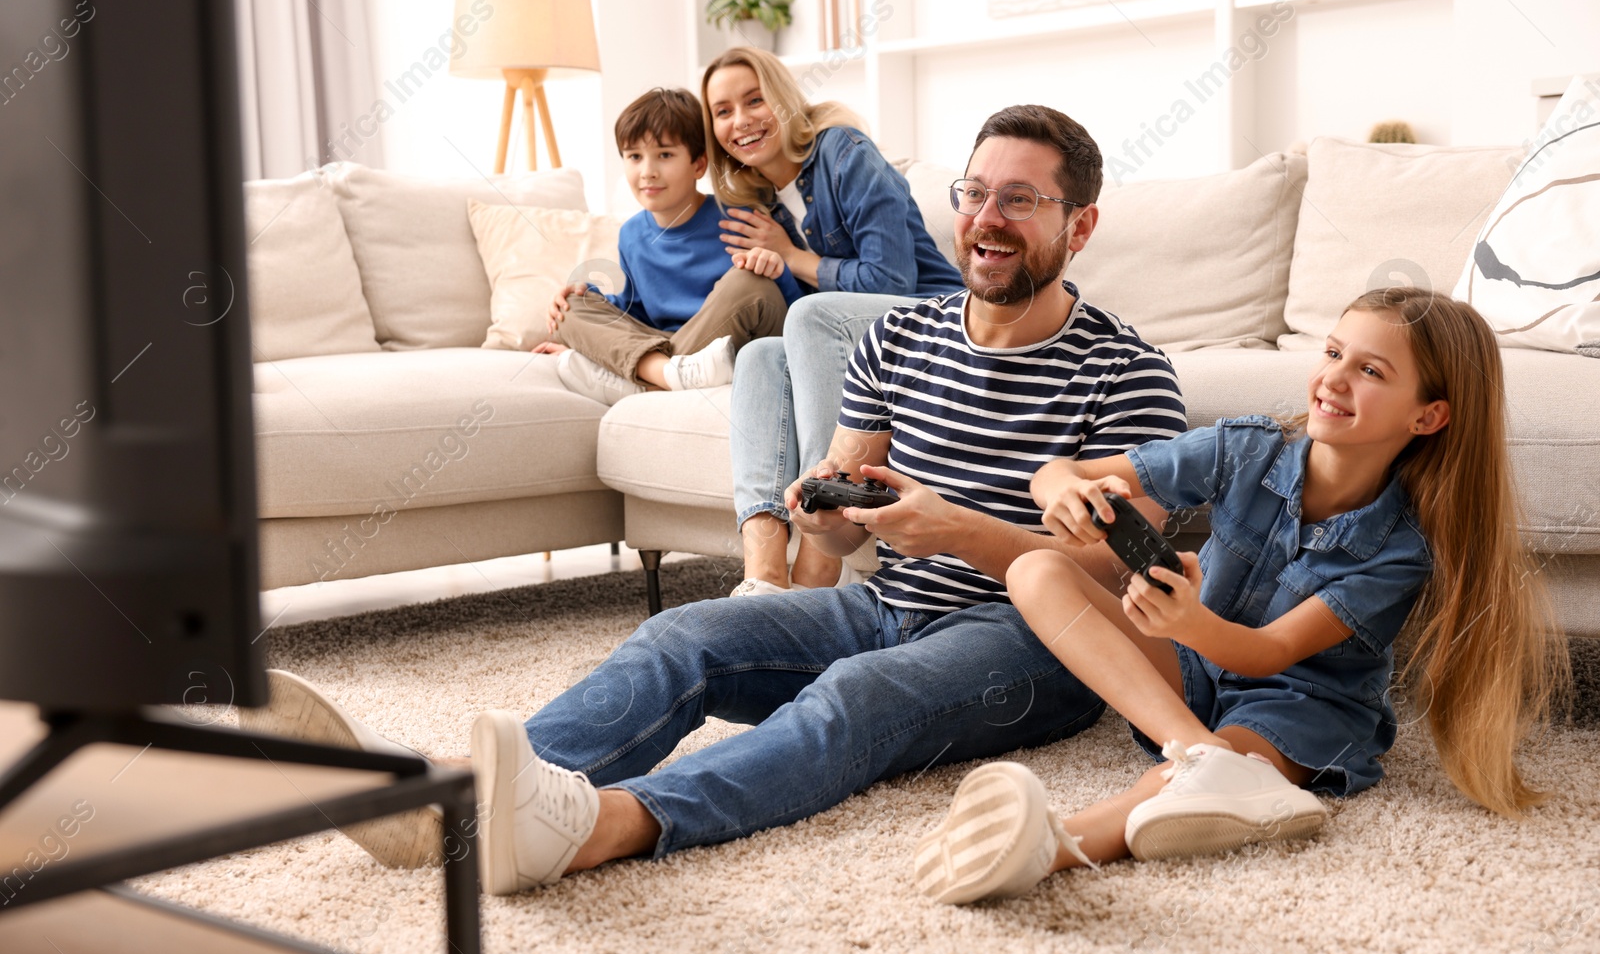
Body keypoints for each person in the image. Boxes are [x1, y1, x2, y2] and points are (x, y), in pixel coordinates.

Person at [242, 105, 1188, 889]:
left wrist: (948, 526)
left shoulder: (1128, 372)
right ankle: (455, 796)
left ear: (1080, 223)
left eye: (1020, 200)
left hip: (1036, 649)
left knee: (851, 698)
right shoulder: (898, 339)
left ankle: (604, 824)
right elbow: (838, 496)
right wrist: (821, 506)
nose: (987, 218)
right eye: (975, 193)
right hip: (888, 604)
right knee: (679, 636)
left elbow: (1120, 573)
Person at [914, 287, 1573, 906]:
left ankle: (1052, 845)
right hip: (1197, 671)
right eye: (1335, 352)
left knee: (1166, 789)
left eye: (1372, 372)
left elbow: (1271, 651)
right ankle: (1204, 755)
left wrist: (1189, 619)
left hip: (1297, 705)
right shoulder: (1247, 448)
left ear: (1428, 414)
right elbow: (1068, 470)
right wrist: (1059, 488)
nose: (1335, 379)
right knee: (1035, 571)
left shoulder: (1400, 548)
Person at [695, 47, 965, 596]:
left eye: (754, 99)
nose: (740, 120)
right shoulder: (760, 202)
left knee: (810, 315)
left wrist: (793, 257)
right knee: (759, 354)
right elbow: (800, 334)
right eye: (722, 111)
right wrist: (775, 267)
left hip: (935, 321)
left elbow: (892, 280)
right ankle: (765, 572)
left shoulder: (845, 151)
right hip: (861, 337)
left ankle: (823, 553)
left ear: (784, 98)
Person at [535, 87, 804, 406]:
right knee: (571, 307)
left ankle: (646, 381)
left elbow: (789, 308)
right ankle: (669, 375)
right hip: (669, 346)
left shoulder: (739, 220)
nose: (647, 171)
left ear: (698, 165)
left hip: (730, 343)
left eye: (664, 155)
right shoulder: (632, 235)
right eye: (634, 156)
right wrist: (587, 300)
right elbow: (634, 310)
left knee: (749, 281)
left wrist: (776, 268)